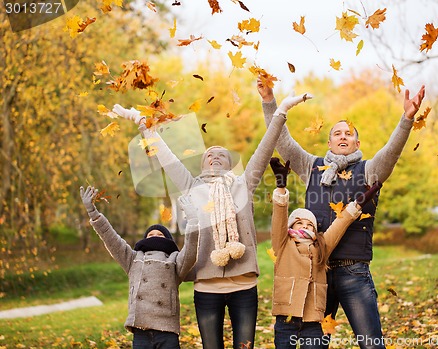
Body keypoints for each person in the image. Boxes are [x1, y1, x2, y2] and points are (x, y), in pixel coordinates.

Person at [112, 86, 312, 349]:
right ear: (202, 164)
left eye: (221, 156)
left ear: (229, 164)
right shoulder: (191, 186)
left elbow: (265, 147)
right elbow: (166, 157)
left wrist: (281, 110)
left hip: (244, 285)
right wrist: (143, 125)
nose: (215, 157)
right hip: (206, 287)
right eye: (210, 155)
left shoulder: (244, 184)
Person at [258, 81, 425, 349]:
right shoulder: (311, 166)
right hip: (316, 271)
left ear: (357, 142)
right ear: (329, 141)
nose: (343, 136)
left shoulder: (369, 170)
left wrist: (406, 119)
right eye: (337, 133)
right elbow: (283, 141)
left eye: (349, 133)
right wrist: (269, 101)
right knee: (316, 345)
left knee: (371, 344)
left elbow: (391, 153)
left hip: (353, 272)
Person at [268, 157, 382, 349]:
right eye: (299, 223)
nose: (305, 226)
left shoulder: (321, 246)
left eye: (309, 224)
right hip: (286, 318)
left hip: (314, 320)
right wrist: (281, 187)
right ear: (290, 227)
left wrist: (358, 204)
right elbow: (279, 216)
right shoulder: (283, 244)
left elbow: (340, 224)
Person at [80, 186, 199, 349]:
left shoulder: (175, 260)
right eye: (151, 235)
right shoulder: (133, 258)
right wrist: (93, 213)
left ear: (168, 240)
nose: (155, 237)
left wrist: (193, 222)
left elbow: (191, 250)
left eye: (160, 235)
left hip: (167, 331)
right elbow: (111, 238)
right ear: (144, 239)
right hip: (140, 332)